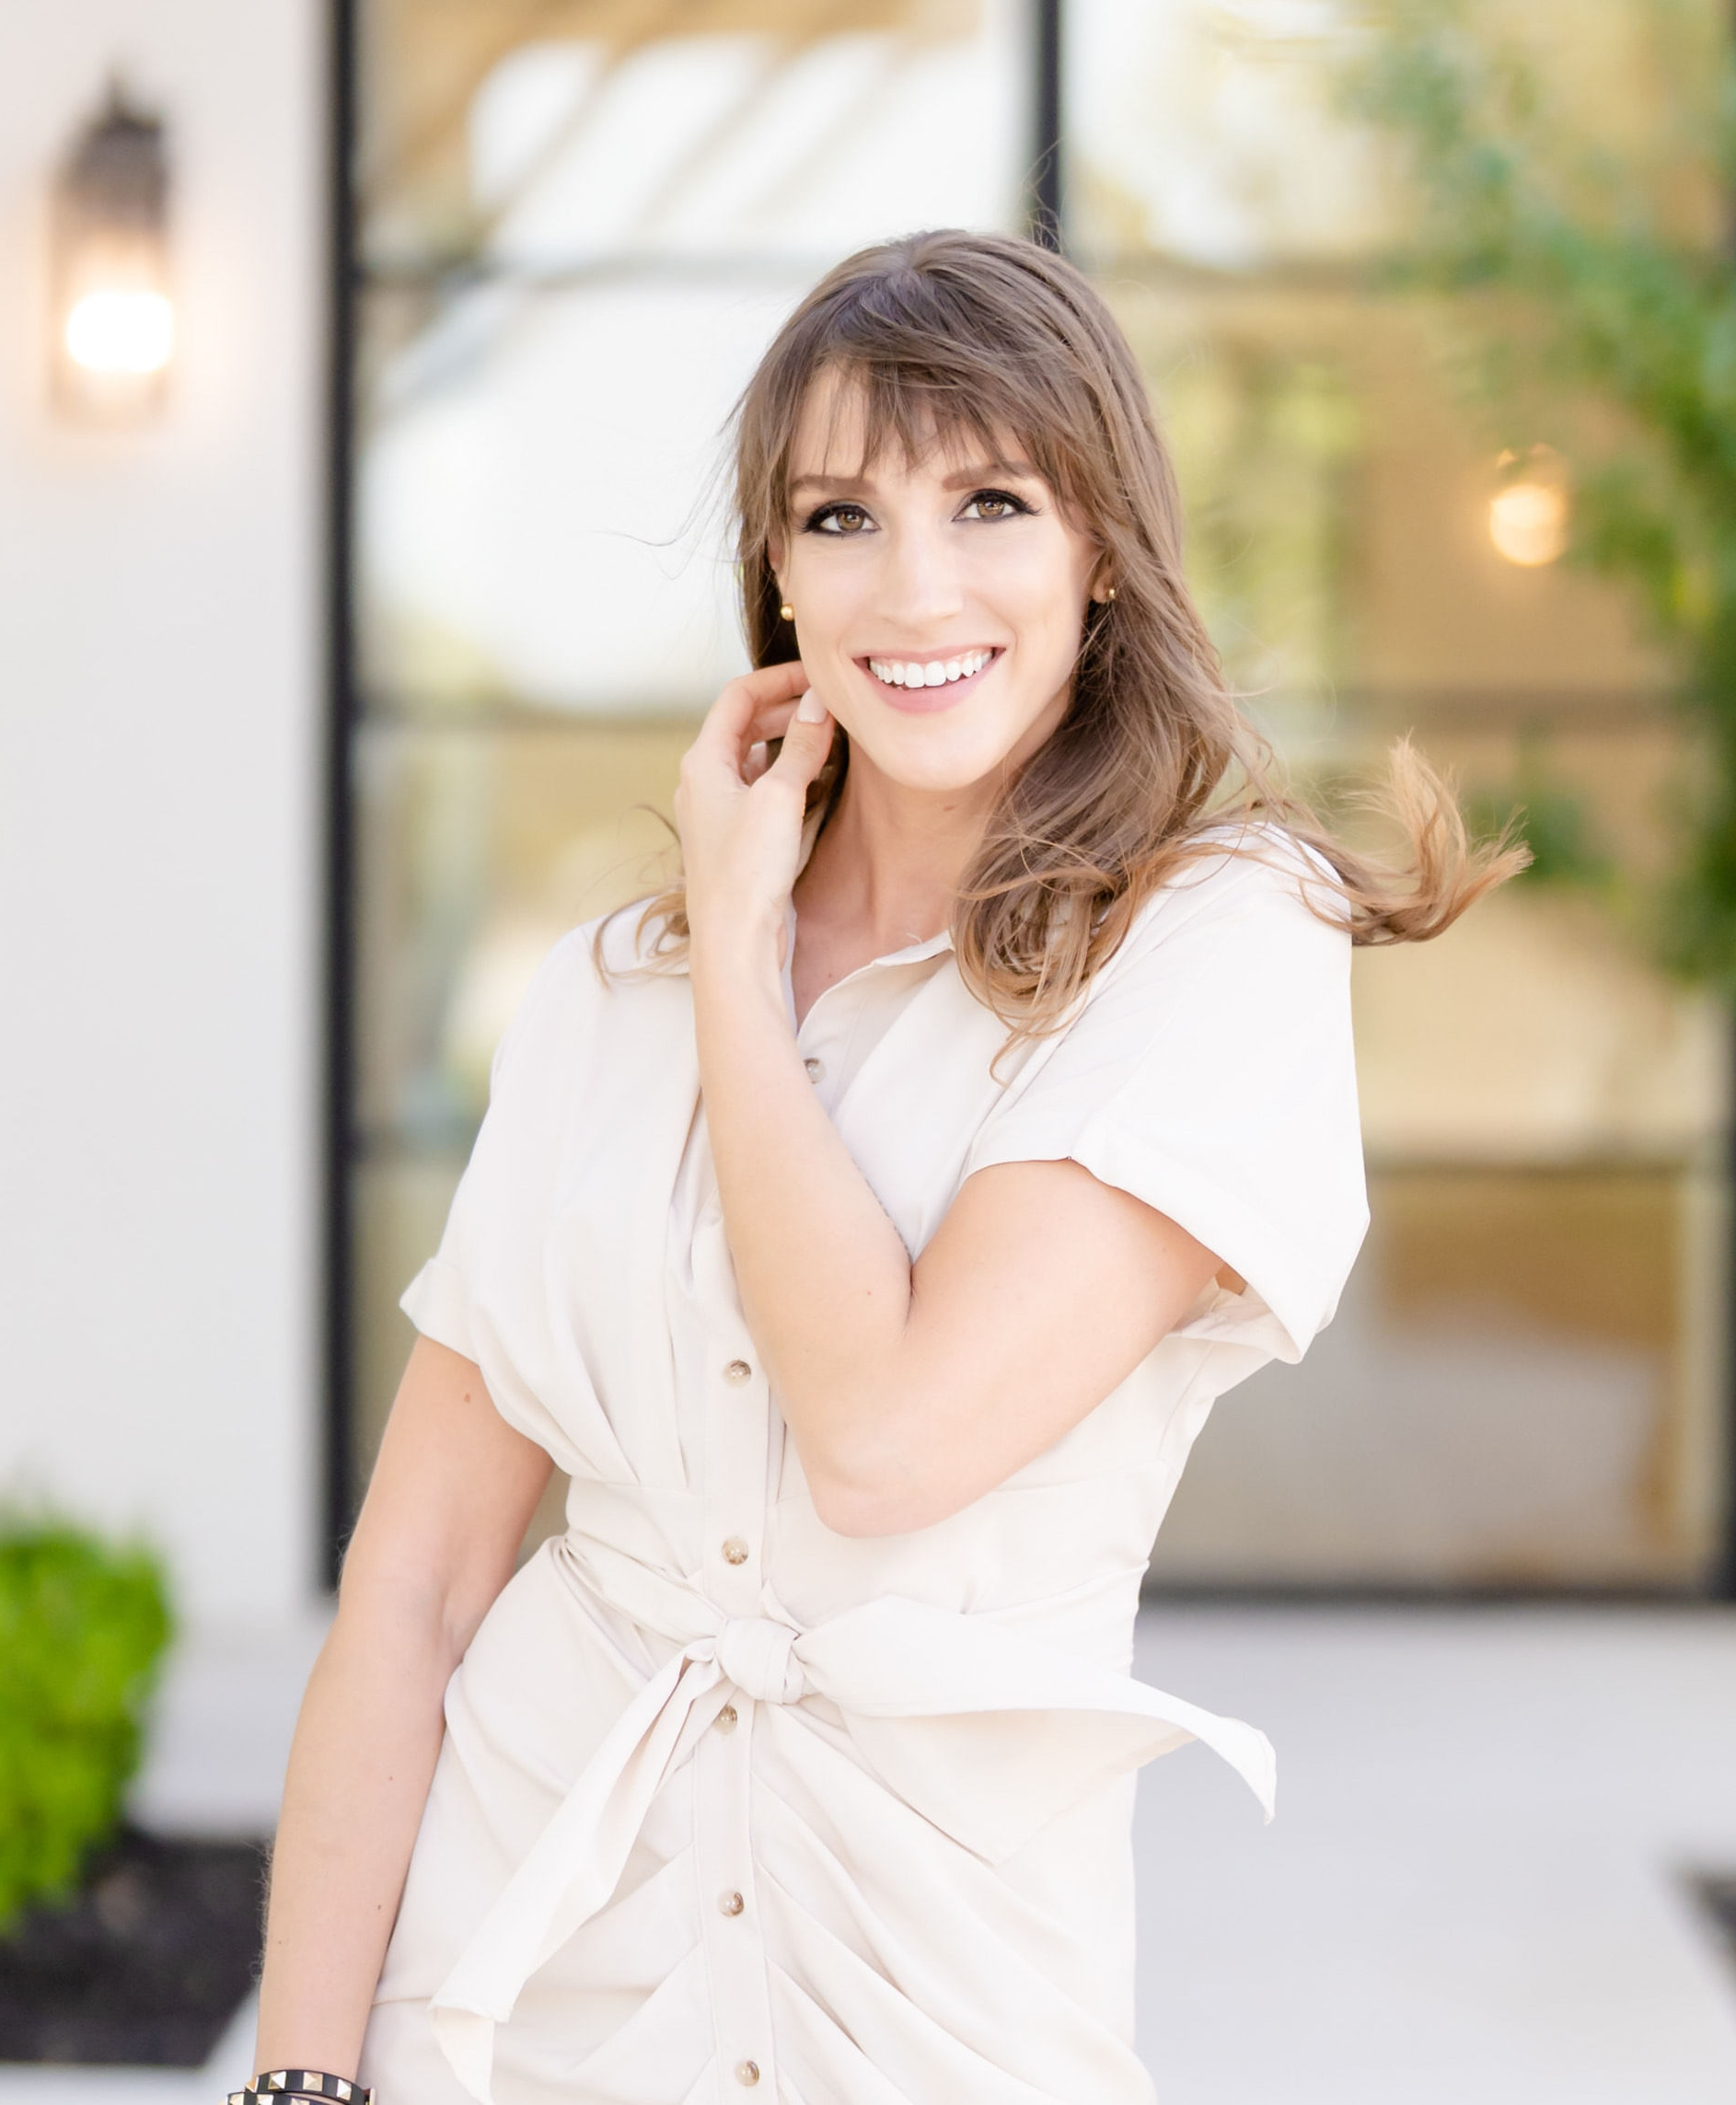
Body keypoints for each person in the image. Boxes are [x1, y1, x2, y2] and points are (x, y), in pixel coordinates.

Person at [247, 228, 1522, 2105]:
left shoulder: (1213, 944)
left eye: (991, 503)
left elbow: (887, 1437)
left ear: (1102, 550)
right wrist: (296, 2082)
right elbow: (419, 1578)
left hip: (938, 1999)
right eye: (841, 517)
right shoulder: (608, 992)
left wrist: (740, 970)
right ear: (778, 572)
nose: (915, 587)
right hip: (516, 1989)